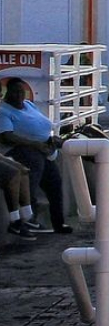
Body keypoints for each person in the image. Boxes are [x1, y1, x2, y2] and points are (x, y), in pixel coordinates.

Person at [1, 78, 69, 234]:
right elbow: (7, 137)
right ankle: (29, 219)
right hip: (20, 151)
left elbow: (42, 125)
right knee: (31, 177)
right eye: (15, 91)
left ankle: (58, 223)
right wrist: (34, 144)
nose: (19, 95)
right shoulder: (3, 110)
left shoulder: (29, 105)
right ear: (8, 92)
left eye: (22, 91)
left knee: (55, 183)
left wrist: (51, 138)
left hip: (43, 149)